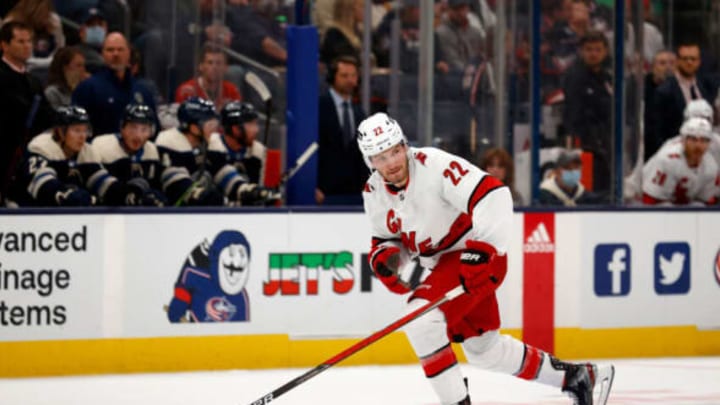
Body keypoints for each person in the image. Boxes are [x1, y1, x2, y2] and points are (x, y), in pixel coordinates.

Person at [357, 112, 614, 405]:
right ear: (370, 162)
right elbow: (386, 239)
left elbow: (493, 194)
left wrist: (482, 249)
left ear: (404, 145)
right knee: (484, 349)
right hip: (443, 266)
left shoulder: (434, 165)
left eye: (395, 150)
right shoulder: (373, 192)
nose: (391, 162)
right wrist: (388, 258)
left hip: (474, 257)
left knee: (420, 321)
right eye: (380, 157)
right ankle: (578, 377)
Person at [155, 96, 278, 207]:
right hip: (167, 218)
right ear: (194, 128)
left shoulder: (208, 143)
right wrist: (223, 202)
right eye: (210, 125)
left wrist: (249, 191)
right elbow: (179, 188)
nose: (214, 130)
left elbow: (224, 173)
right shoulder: (170, 142)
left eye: (214, 124)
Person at [8, 105, 131, 207]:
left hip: (62, 220)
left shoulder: (86, 151)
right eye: (77, 130)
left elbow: (101, 182)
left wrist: (126, 194)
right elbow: (43, 187)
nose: (83, 136)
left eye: (85, 130)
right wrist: (68, 195)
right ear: (60, 131)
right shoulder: (41, 146)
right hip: (24, 214)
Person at [0, 21, 55, 202]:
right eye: (20, 41)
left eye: (29, 41)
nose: (27, 46)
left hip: (25, 157)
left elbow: (46, 114)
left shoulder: (33, 81)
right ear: (4, 45)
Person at [72, 31, 158, 136]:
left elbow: (153, 127)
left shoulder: (142, 90)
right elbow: (76, 127)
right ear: (102, 54)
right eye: (110, 50)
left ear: (128, 53)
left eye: (120, 49)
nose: (116, 54)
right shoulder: (88, 88)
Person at [562, 30, 612, 195]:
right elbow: (572, 114)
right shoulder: (574, 77)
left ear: (605, 51)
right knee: (588, 189)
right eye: (589, 49)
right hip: (584, 145)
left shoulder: (609, 77)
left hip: (606, 143)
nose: (594, 54)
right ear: (581, 51)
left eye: (598, 49)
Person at [317, 55, 368, 205]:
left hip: (354, 192)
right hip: (325, 191)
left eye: (353, 76)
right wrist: (311, 186)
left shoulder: (359, 112)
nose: (350, 80)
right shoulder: (319, 107)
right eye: (344, 76)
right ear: (332, 77)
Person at [92, 103, 166, 206]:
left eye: (144, 129)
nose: (138, 135)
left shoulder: (151, 150)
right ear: (122, 128)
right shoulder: (101, 145)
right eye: (133, 128)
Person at [642, 117, 719, 206]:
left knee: (698, 206)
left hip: (682, 207)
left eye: (703, 140)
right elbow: (649, 198)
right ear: (683, 140)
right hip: (644, 199)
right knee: (666, 206)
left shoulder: (711, 167)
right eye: (693, 139)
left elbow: (707, 203)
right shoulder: (667, 160)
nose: (698, 145)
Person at [653, 41, 715, 150]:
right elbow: (656, 132)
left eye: (693, 59)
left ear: (699, 62)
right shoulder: (664, 92)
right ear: (677, 61)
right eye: (685, 59)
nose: (689, 62)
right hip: (675, 153)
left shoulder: (707, 87)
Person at [175, 43, 242, 110]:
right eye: (210, 62)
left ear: (225, 68)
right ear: (200, 66)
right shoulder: (186, 91)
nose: (214, 67)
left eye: (218, 63)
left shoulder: (232, 91)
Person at [3, 0, 65, 71]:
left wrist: (51, 61)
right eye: (43, 11)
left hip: (48, 65)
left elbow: (60, 48)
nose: (45, 14)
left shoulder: (53, 20)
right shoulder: (11, 22)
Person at [220, 101, 266, 185]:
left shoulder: (258, 151)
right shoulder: (213, 150)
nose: (256, 130)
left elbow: (261, 188)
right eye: (251, 125)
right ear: (236, 129)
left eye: (256, 124)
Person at [538, 149, 605, 206]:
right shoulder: (544, 194)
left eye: (576, 169)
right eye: (568, 169)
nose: (573, 172)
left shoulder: (581, 194)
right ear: (556, 172)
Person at [643, 49, 676, 160]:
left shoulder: (680, 90)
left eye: (672, 63)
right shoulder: (641, 88)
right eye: (662, 63)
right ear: (652, 67)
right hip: (648, 149)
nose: (668, 67)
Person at [74, 7, 107, 73]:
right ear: (81, 31)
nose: (96, 28)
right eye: (90, 24)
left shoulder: (113, 51)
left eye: (100, 24)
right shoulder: (74, 54)